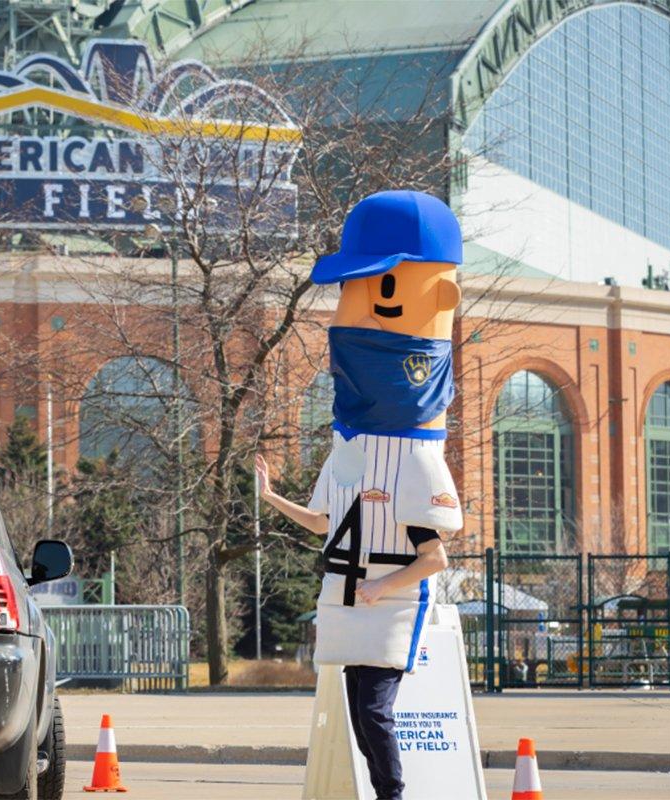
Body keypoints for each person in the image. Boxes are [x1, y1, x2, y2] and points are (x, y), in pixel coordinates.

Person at [261, 190, 464, 800]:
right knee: (359, 708)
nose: (353, 317)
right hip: (346, 592)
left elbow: (436, 557)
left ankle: (393, 795)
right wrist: (272, 499)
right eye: (352, 292)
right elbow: (326, 520)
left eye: (378, 292)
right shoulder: (347, 450)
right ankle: (383, 790)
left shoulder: (417, 459)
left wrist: (381, 587)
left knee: (374, 707)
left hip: (388, 600)